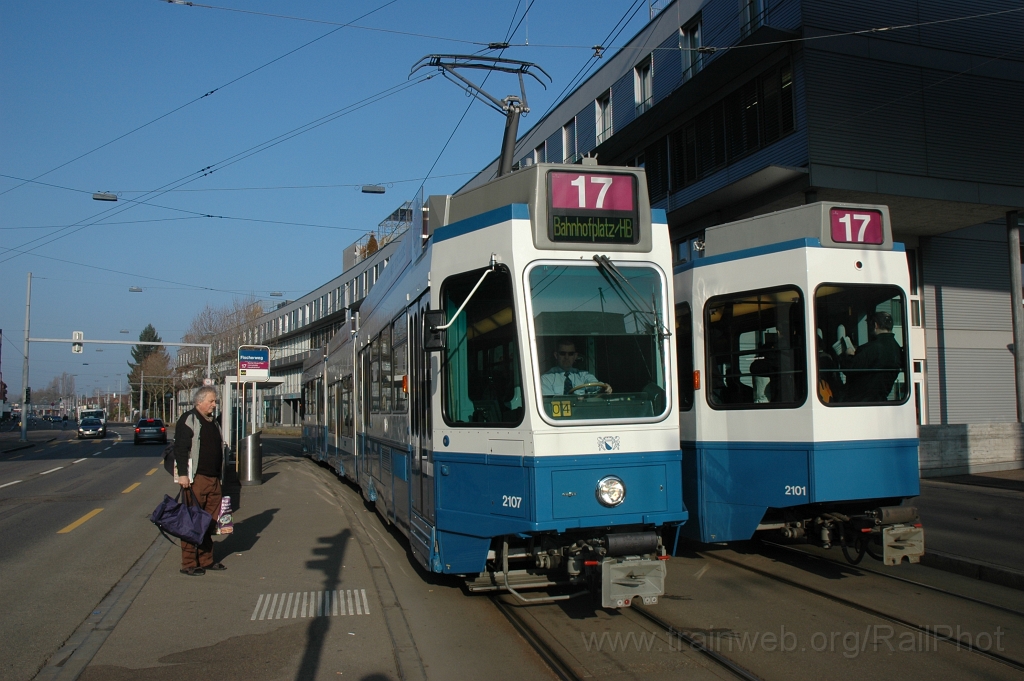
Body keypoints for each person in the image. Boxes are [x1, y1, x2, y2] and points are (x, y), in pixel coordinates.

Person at [173, 386, 226, 576]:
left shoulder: (213, 422)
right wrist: (183, 475)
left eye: (215, 401)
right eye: (211, 401)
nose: (214, 404)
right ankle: (188, 563)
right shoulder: (189, 419)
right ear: (199, 401)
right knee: (191, 521)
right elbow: (181, 448)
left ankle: (206, 560)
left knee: (209, 522)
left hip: (213, 480)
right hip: (196, 480)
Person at [841, 311, 904, 402]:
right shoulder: (897, 349)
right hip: (881, 399)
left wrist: (848, 354)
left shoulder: (872, 348)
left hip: (859, 401)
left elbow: (849, 368)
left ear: (875, 325)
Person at [540, 339, 612, 396]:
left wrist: (604, 387)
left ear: (575, 356)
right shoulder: (546, 379)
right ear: (556, 355)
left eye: (570, 354)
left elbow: (595, 384)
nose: (566, 357)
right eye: (562, 353)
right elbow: (549, 402)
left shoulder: (582, 375)